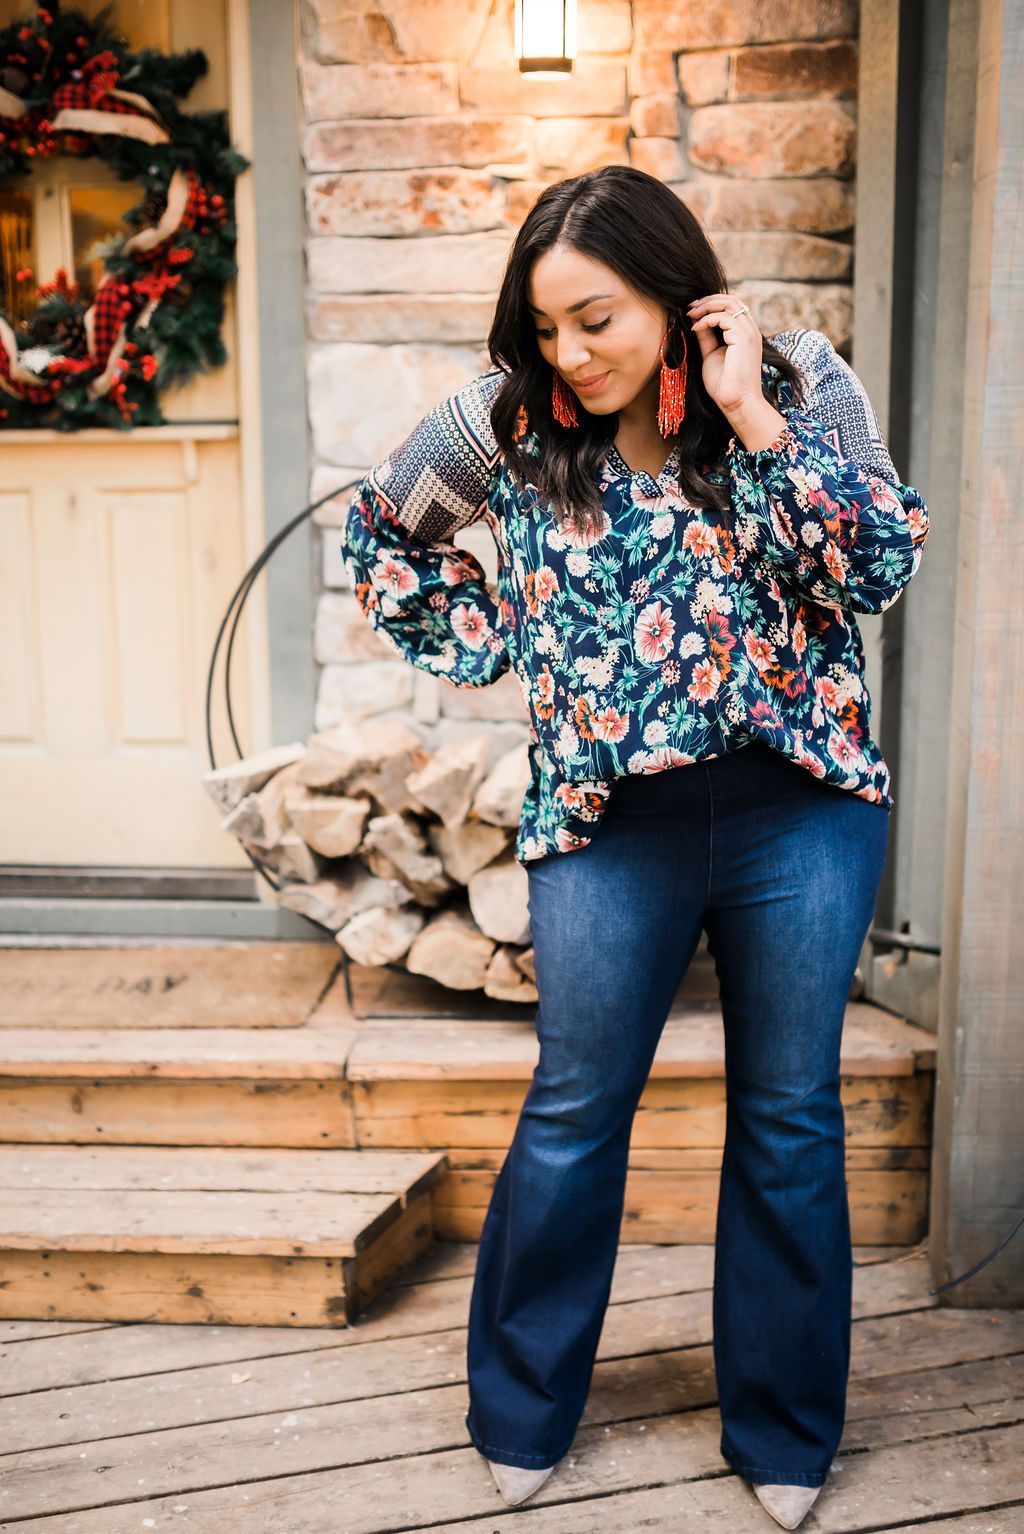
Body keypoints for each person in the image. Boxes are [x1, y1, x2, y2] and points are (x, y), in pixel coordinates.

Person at [340, 165, 930, 1531]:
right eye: (546, 328)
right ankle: (522, 1410)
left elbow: (878, 566)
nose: (571, 354)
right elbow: (386, 531)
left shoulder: (798, 379)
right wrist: (495, 640)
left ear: (675, 292)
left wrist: (753, 419)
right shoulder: (502, 421)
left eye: (596, 318)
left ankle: (783, 1435)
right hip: (605, 823)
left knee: (789, 1117)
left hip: (800, 809)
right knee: (573, 1111)